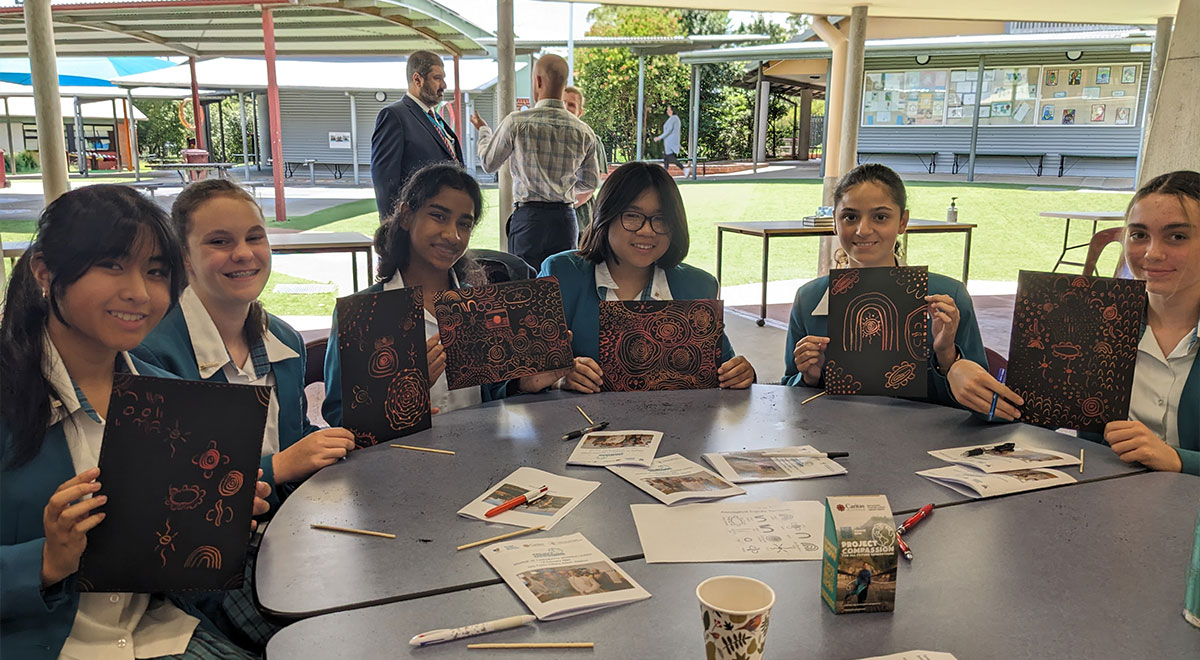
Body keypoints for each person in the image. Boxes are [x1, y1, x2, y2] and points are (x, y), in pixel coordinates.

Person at [0, 185, 271, 660]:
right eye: (111, 265)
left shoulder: (171, 398)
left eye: (155, 272)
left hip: (158, 631)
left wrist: (217, 522)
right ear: (45, 271)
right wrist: (45, 561)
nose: (139, 293)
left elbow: (170, 559)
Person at [134, 179, 356, 508]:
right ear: (184, 257)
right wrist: (276, 468)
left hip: (286, 529)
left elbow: (292, 434)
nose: (242, 253)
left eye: (254, 237)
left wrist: (357, 435)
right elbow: (160, 485)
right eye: (219, 241)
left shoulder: (284, 340)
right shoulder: (151, 355)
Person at [782, 163, 1020, 418]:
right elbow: (787, 395)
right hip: (835, 437)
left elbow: (981, 408)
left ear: (902, 222)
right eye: (850, 216)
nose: (863, 230)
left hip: (927, 446)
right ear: (835, 223)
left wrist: (947, 356)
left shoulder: (947, 299)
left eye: (880, 217)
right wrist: (808, 377)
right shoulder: (809, 300)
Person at [324, 163, 553, 424]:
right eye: (438, 216)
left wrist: (522, 384)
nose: (452, 235)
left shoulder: (477, 307)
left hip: (478, 453)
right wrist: (405, 389)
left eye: (464, 224)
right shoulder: (362, 313)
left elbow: (489, 396)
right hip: (394, 458)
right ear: (407, 216)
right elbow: (338, 414)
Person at [536, 161, 756, 393]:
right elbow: (520, 381)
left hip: (677, 424)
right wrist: (560, 379)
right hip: (580, 425)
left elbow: (724, 370)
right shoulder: (561, 275)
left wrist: (741, 374)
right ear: (605, 216)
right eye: (632, 216)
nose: (647, 230)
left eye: (660, 219)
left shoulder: (698, 286)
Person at [1088, 170, 1199, 475]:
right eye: (1139, 235)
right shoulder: (1098, 322)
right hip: (1099, 500)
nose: (1152, 253)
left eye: (1177, 236)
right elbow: (1025, 411)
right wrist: (954, 363)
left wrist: (1179, 461)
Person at [470, 54, 600, 270]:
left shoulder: (517, 122)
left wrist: (484, 131)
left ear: (538, 81)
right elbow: (590, 182)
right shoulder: (583, 131)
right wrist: (562, 188)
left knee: (526, 288)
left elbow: (488, 162)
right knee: (562, 282)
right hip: (565, 219)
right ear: (563, 83)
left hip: (528, 219)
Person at [371, 50, 463, 222]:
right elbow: (385, 181)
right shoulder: (394, 116)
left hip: (445, 222)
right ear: (417, 79)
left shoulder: (436, 120)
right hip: (415, 226)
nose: (444, 85)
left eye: (443, 78)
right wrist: (392, 229)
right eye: (437, 78)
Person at [563, 85, 608, 238]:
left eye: (571, 105)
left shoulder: (591, 139)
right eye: (562, 103)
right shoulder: (550, 141)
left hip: (582, 220)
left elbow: (591, 187)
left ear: (579, 112)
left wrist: (568, 206)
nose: (566, 108)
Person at [652, 105, 683, 175]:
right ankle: (665, 172)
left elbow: (668, 131)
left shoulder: (673, 118)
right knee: (666, 158)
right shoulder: (676, 119)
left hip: (670, 141)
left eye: (669, 110)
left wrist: (659, 137)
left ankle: (683, 168)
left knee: (669, 156)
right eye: (667, 110)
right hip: (670, 141)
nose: (667, 111)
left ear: (673, 111)